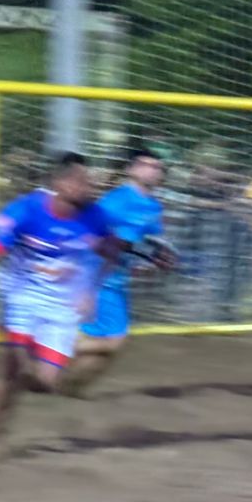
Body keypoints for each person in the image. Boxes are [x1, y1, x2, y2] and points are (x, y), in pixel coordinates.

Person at [0, 153, 123, 450]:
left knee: (46, 383)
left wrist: (91, 289)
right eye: (81, 180)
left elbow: (112, 253)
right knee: (14, 368)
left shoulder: (95, 215)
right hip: (21, 296)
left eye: (89, 180)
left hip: (63, 304)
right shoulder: (25, 210)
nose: (89, 186)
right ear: (60, 183)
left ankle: (5, 390)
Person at [61, 147, 175, 396]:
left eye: (157, 167)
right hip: (96, 278)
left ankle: (69, 390)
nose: (153, 170)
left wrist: (153, 261)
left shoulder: (153, 207)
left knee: (108, 349)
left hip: (117, 282)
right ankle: (49, 348)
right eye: (146, 164)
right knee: (112, 342)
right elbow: (92, 234)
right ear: (130, 169)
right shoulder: (116, 201)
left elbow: (150, 245)